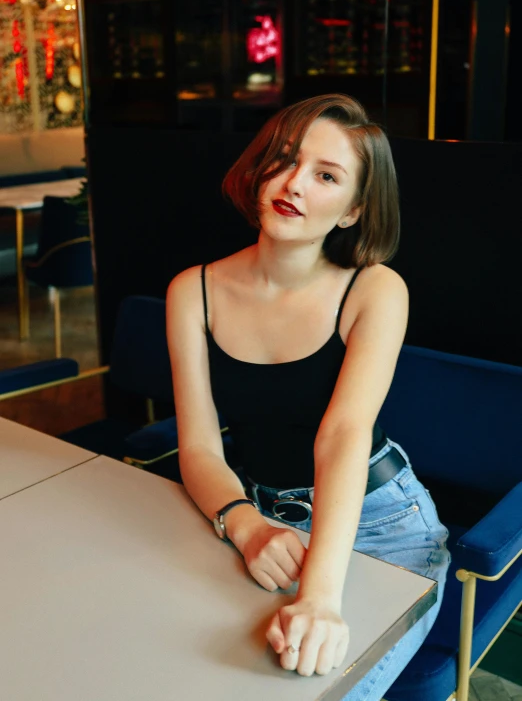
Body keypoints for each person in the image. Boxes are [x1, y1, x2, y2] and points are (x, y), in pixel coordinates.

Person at [166, 93, 450, 700]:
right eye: (285, 159)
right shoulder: (193, 291)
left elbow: (342, 436)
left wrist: (320, 598)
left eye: (326, 176)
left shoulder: (375, 290)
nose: (294, 183)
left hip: (380, 524)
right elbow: (198, 446)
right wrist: (245, 525)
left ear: (352, 211)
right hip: (256, 514)